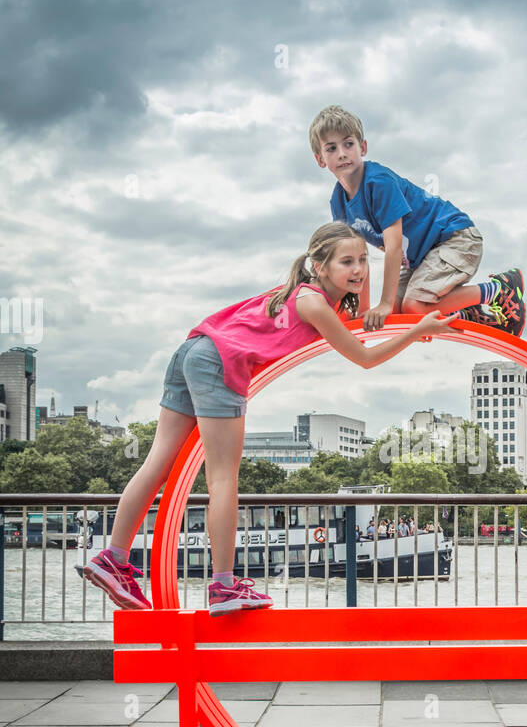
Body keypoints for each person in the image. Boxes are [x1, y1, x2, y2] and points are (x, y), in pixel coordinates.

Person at [78, 222, 452, 616]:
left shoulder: (302, 294)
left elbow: (363, 319)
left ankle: (113, 558)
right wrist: (417, 331)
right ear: (320, 266)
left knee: (159, 463)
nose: (358, 269)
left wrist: (379, 276)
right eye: (347, 261)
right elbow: (365, 357)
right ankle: (223, 586)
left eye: (363, 260)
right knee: (222, 476)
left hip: (192, 349)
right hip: (220, 362)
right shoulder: (314, 304)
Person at [308, 104, 526, 336]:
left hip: (455, 238)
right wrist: (363, 311)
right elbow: (358, 259)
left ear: (362, 147)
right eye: (331, 148)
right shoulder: (338, 202)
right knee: (397, 314)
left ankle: (500, 289)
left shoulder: (378, 183)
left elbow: (394, 248)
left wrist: (382, 302)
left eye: (348, 144)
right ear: (320, 159)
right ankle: (469, 313)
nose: (342, 153)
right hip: (421, 258)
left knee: (413, 307)